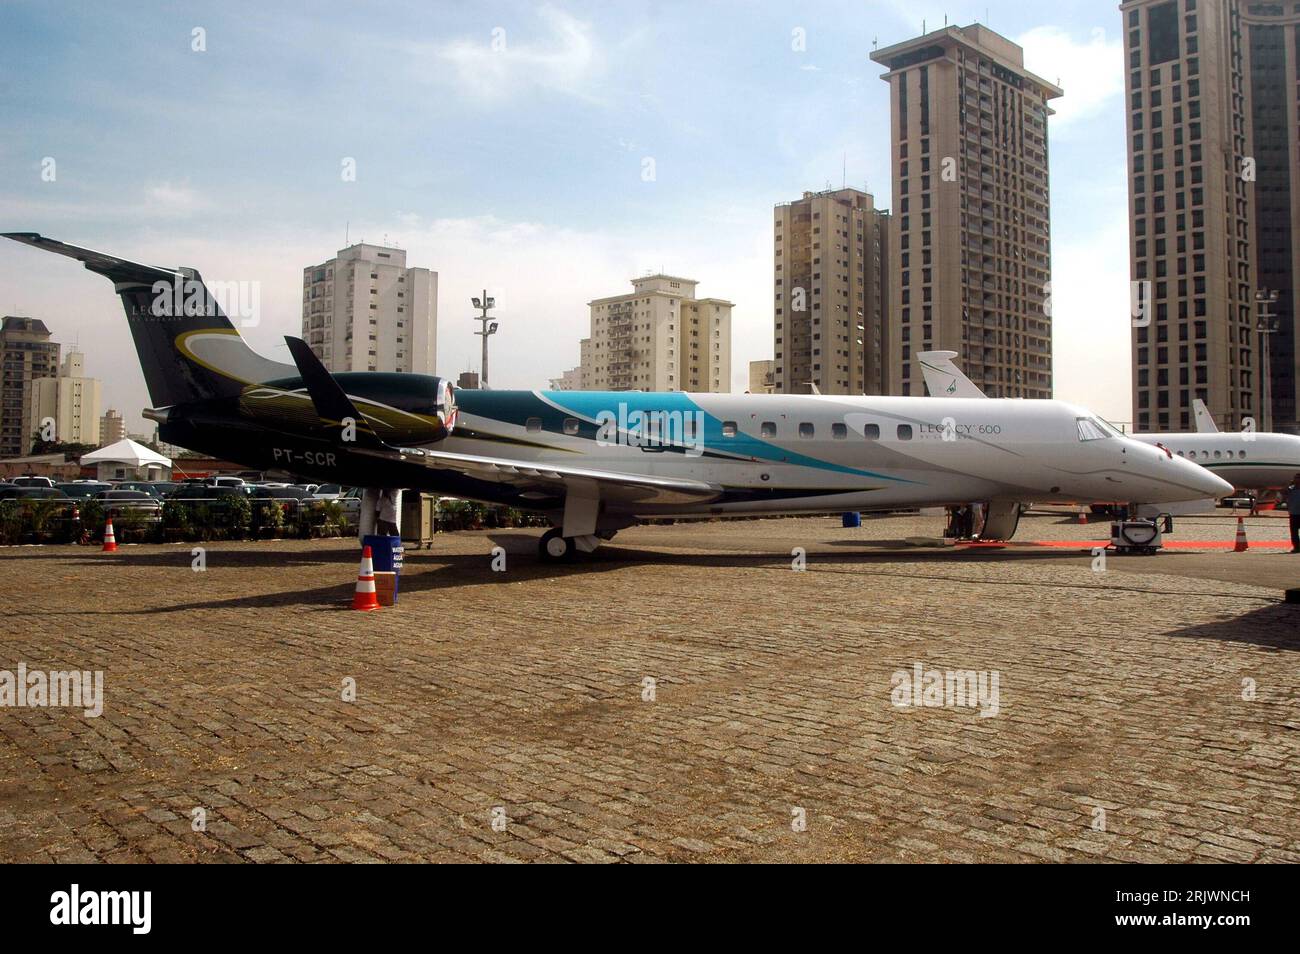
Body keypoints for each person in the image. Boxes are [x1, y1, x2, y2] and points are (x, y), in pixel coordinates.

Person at [1287, 473, 1300, 554]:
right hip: (1293, 514)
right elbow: (1282, 492)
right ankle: (1297, 547)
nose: (1296, 480)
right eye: (1295, 478)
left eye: (1298, 478)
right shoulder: (1291, 489)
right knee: (1294, 532)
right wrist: (1289, 484)